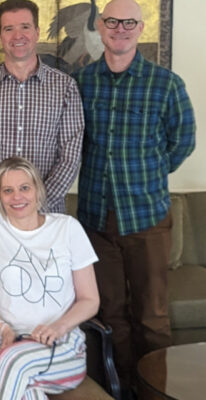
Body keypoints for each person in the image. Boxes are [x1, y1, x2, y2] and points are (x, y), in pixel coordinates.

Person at [73, 0, 196, 393]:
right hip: (95, 219)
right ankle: (119, 388)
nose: (120, 28)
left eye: (129, 22)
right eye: (113, 21)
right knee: (110, 315)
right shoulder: (83, 82)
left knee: (152, 317)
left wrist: (148, 176)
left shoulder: (166, 84)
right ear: (101, 27)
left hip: (146, 218)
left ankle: (156, 391)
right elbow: (77, 141)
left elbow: (183, 143)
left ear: (141, 28)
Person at [0, 157, 100, 400]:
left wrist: (59, 327)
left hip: (61, 346)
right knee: (26, 391)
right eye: (7, 190)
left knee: (10, 364)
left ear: (38, 191)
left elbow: (90, 300)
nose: (17, 197)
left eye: (24, 188)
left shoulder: (68, 228)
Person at [0, 0, 84, 214]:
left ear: (36, 32)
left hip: (46, 214)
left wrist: (37, 204)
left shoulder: (65, 87)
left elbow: (70, 155)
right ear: (0, 35)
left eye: (25, 27)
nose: (18, 36)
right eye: (9, 28)